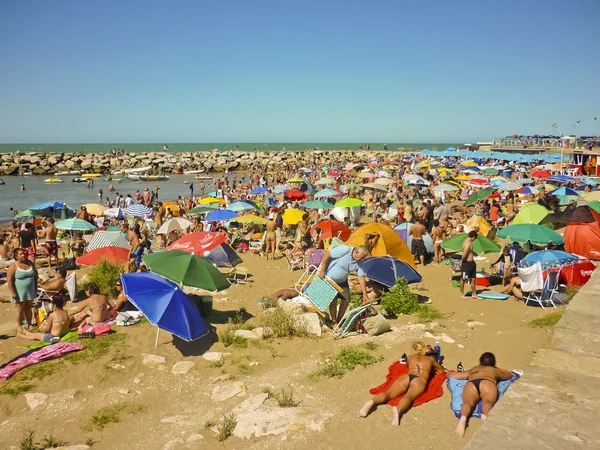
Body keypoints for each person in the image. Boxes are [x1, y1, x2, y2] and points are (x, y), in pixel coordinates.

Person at [358, 341, 445, 425]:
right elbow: (441, 371)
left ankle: (372, 402)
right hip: (419, 380)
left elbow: (408, 365)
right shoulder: (430, 359)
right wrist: (430, 369)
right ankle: (398, 409)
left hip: (407, 377)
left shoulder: (410, 357)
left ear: (415, 350)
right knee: (409, 397)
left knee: (388, 393)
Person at [448, 352, 514, 437]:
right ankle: (485, 417)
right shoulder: (494, 370)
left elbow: (455, 375)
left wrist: (449, 373)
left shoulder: (474, 369)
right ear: (494, 362)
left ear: (480, 361)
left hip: (471, 385)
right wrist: (496, 368)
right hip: (487, 383)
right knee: (487, 402)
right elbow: (509, 375)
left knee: (468, 402)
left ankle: (463, 418)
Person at [319, 245, 370, 326]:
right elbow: (327, 255)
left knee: (346, 299)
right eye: (362, 257)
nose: (362, 259)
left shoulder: (360, 262)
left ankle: (339, 321)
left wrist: (365, 294)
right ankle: (334, 321)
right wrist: (323, 270)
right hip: (330, 278)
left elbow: (361, 277)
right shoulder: (345, 250)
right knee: (333, 300)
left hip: (342, 281)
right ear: (356, 252)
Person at [6, 248, 38, 329]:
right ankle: (19, 325)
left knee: (29, 307)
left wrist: (35, 287)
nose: (24, 255)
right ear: (16, 256)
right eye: (21, 254)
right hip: (19, 291)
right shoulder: (13, 266)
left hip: (30, 290)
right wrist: (13, 292)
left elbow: (35, 276)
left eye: (24, 253)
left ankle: (30, 324)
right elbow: (9, 280)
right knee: (20, 308)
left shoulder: (30, 263)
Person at [460, 231, 479, 299]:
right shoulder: (468, 243)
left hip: (472, 263)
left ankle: (474, 294)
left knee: (473, 279)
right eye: (475, 238)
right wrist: (462, 261)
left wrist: (473, 253)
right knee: (463, 278)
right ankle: (462, 294)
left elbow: (468, 251)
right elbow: (465, 253)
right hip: (467, 263)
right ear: (473, 237)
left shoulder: (467, 242)